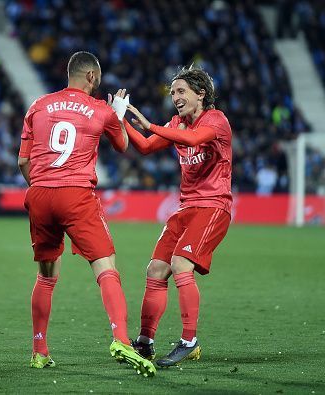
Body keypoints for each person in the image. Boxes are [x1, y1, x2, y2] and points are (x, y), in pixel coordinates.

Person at [17, 51, 156, 377]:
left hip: (38, 193)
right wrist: (118, 113)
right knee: (105, 267)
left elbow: (23, 162)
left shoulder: (38, 105)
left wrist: (43, 186)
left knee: (46, 276)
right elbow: (122, 145)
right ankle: (121, 339)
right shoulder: (100, 109)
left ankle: (39, 350)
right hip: (76, 194)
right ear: (92, 77)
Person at [124, 66, 232, 367]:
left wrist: (149, 123)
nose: (175, 97)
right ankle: (145, 343)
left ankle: (189, 340)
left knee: (180, 262)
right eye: (172, 93)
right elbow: (145, 147)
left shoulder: (217, 121)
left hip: (213, 207)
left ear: (201, 94)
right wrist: (121, 119)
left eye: (181, 91)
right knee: (156, 269)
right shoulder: (177, 123)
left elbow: (193, 140)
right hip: (185, 209)